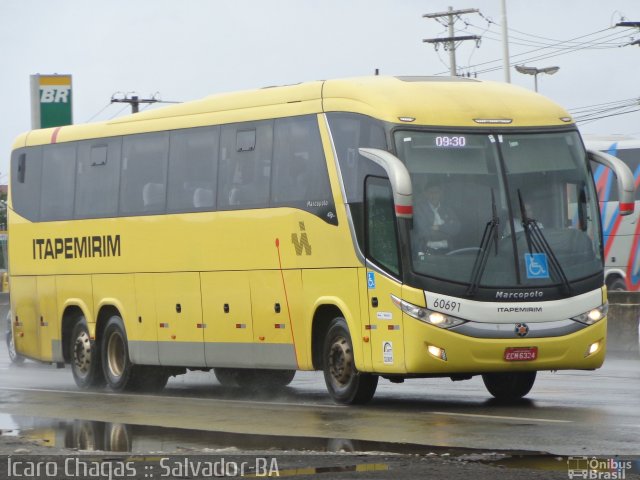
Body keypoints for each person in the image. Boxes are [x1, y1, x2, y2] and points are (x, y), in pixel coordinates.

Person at [413, 183, 461, 254]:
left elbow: (456, 228)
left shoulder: (447, 209)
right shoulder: (419, 210)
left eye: (436, 192)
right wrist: (447, 233)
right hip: (426, 250)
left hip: (448, 250)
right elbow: (423, 233)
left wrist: (438, 228)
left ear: (440, 194)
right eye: (431, 193)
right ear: (426, 194)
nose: (434, 195)